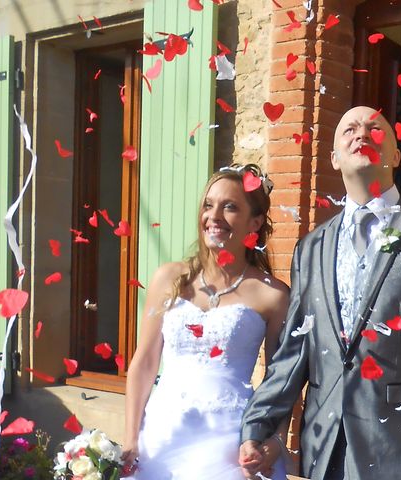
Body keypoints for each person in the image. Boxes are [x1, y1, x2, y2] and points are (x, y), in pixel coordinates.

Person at [239, 106, 401, 480]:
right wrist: (257, 428)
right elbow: (293, 353)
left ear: (396, 155)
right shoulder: (311, 248)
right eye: (349, 128)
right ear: (334, 157)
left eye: (375, 128)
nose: (362, 133)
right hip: (325, 446)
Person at [121, 164, 290, 480]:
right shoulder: (168, 278)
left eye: (230, 207)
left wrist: (276, 441)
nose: (214, 215)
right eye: (208, 205)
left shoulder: (273, 294)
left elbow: (279, 380)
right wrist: (131, 438)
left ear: (254, 222)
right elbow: (143, 363)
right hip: (164, 434)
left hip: (232, 441)